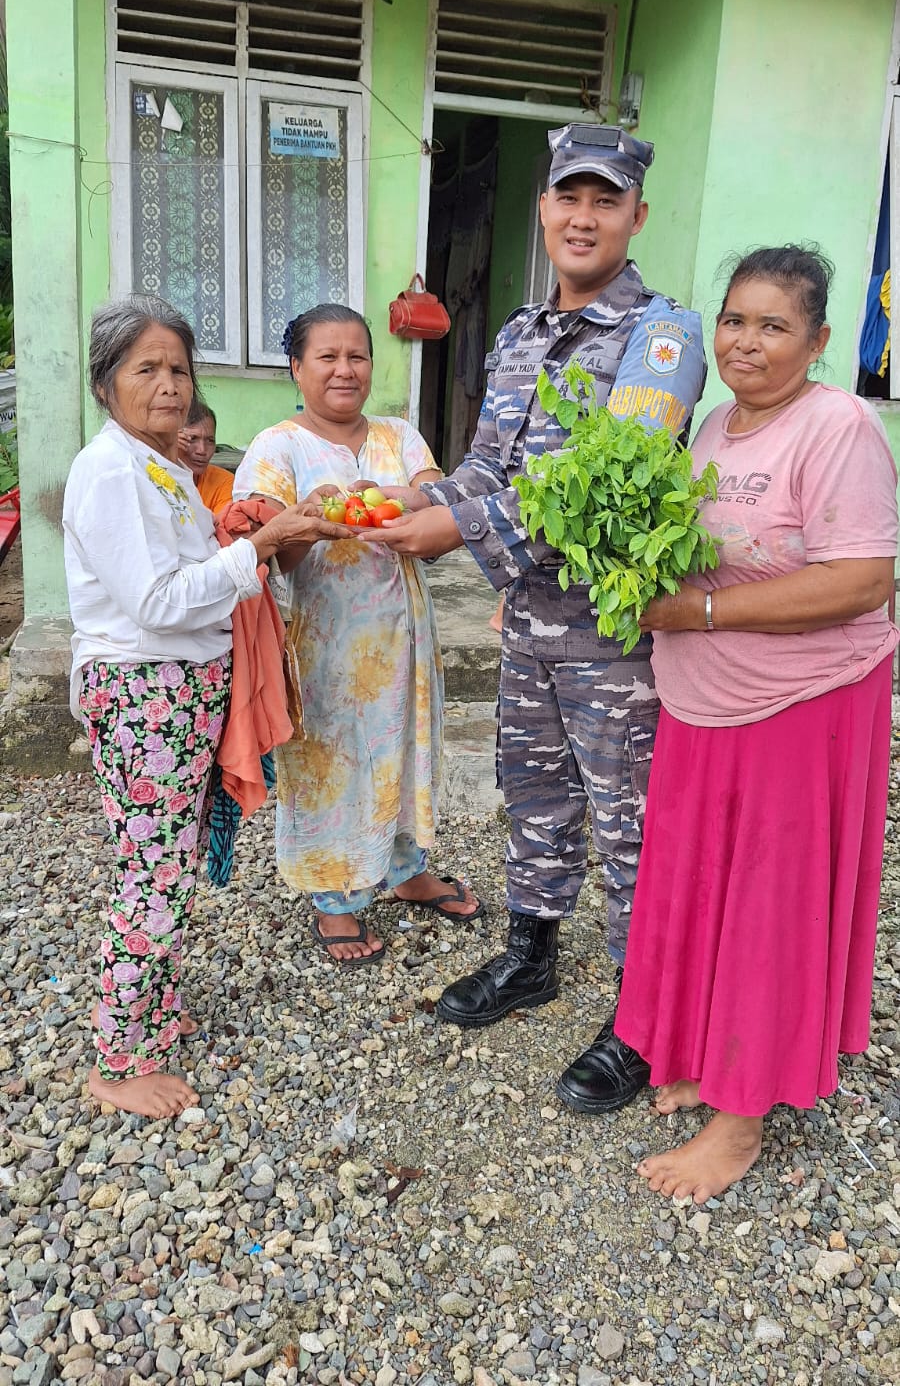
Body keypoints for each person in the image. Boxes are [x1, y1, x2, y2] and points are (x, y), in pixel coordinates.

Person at [375, 123, 707, 1112]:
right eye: (570, 195)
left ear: (636, 216)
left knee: (629, 826)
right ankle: (532, 957)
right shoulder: (521, 335)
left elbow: (605, 477)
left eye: (607, 200)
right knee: (536, 798)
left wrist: (452, 531)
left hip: (617, 638)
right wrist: (418, 501)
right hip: (530, 624)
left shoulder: (663, 336)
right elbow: (488, 466)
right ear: (544, 206)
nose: (584, 216)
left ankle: (643, 1017)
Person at [615, 245, 899, 1203]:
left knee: (770, 899)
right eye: (734, 319)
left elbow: (864, 580)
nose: (746, 341)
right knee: (706, 881)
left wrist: (699, 613)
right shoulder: (712, 431)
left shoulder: (838, 427)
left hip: (801, 703)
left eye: (774, 325)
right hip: (706, 698)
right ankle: (707, 1055)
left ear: (818, 343)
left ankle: (742, 1122)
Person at [63, 294, 349, 1119]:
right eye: (145, 369)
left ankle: (149, 1013)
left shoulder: (161, 467)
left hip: (178, 691)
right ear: (107, 383)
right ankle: (118, 1062)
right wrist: (256, 550)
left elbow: (192, 569)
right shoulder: (110, 470)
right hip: (145, 691)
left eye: (178, 369)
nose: (168, 387)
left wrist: (245, 533)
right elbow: (156, 602)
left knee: (170, 864)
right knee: (151, 874)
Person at [232, 302, 483, 966]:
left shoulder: (398, 434)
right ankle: (334, 898)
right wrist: (305, 525)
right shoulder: (276, 448)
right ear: (296, 367)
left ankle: (406, 871)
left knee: (404, 750)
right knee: (329, 767)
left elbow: (443, 496)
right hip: (323, 645)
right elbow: (264, 553)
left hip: (401, 637)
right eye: (328, 357)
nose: (346, 370)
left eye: (358, 356)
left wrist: (406, 496)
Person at [177, 397, 234, 515]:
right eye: (192, 439)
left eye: (210, 441)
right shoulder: (149, 478)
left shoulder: (223, 481)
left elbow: (222, 528)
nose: (202, 450)